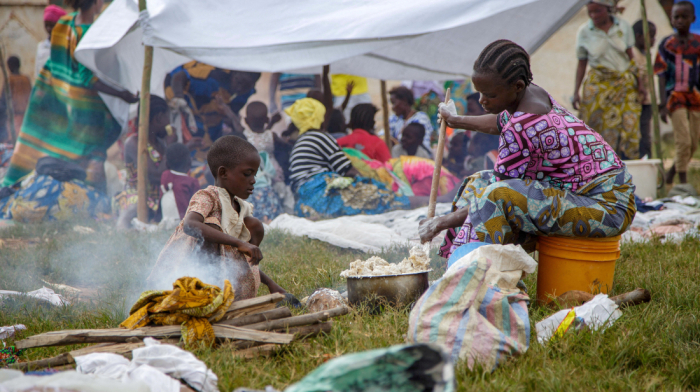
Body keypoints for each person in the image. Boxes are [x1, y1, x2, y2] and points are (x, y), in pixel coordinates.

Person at [419, 39, 636, 262]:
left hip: (607, 209)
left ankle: (474, 273)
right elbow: (499, 122)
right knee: (477, 183)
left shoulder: (522, 125)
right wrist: (455, 120)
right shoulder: (531, 95)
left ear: (517, 86)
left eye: (490, 95)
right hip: (590, 195)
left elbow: (493, 196)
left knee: (491, 196)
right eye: (479, 93)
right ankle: (457, 263)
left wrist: (440, 222)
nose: (482, 100)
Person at [1, 0, 139, 189]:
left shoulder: (64, 24)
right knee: (92, 159)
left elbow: (55, 65)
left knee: (55, 151)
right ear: (97, 2)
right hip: (89, 113)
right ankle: (94, 206)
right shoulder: (91, 33)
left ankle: (49, 191)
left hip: (63, 103)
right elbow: (88, 78)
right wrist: (123, 94)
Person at [146, 135, 289, 300]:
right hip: (188, 275)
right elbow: (190, 225)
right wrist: (239, 242)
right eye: (247, 174)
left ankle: (232, 293)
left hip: (227, 277)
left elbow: (239, 254)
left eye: (254, 174)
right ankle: (207, 292)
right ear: (223, 173)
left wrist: (271, 284)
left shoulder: (239, 207)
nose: (253, 181)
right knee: (212, 226)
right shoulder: (207, 197)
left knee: (254, 225)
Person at [286, 98, 412, 219]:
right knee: (380, 196)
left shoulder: (301, 142)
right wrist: (369, 182)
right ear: (318, 117)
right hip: (320, 195)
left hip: (304, 203)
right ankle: (411, 202)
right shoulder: (320, 137)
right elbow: (347, 170)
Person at [573, 0, 642, 160]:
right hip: (598, 86)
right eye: (590, 12)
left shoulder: (623, 26)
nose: (593, 16)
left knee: (627, 125)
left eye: (597, 11)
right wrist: (576, 91)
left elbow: (631, 57)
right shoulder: (584, 31)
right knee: (593, 126)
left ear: (608, 8)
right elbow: (581, 63)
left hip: (624, 84)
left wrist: (641, 84)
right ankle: (598, 162)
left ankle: (625, 163)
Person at [655, 1, 700, 185]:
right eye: (676, 17)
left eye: (684, 17)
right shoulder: (667, 45)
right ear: (671, 19)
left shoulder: (697, 43)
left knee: (694, 142)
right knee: (683, 140)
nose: (680, 20)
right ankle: (682, 183)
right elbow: (661, 74)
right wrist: (663, 103)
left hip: (695, 96)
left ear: (693, 18)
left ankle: (672, 171)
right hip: (675, 97)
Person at [115, 96, 170, 229]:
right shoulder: (134, 142)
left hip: (158, 198)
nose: (169, 123)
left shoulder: (160, 144)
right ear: (159, 117)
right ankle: (122, 229)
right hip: (137, 195)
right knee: (136, 207)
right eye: (168, 117)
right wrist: (171, 150)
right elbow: (154, 176)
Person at [242, 101, 284, 222]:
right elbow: (266, 136)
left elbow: (255, 135)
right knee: (280, 195)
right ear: (266, 119)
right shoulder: (272, 135)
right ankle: (281, 217)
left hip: (256, 175)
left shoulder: (245, 136)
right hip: (273, 171)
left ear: (246, 120)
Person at [632, 20, 656, 159]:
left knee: (646, 135)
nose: (653, 40)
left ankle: (646, 159)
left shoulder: (646, 54)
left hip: (646, 103)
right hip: (636, 103)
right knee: (638, 135)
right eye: (651, 36)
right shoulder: (633, 53)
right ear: (638, 36)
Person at [160, 143, 200, 220]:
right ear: (189, 162)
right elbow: (199, 206)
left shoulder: (164, 175)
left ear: (167, 164)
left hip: (165, 219)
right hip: (183, 220)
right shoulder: (192, 182)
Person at [388, 86, 434, 153]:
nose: (393, 107)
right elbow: (384, 136)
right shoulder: (394, 119)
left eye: (394, 103)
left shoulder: (421, 118)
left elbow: (424, 144)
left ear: (404, 101)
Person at [0, 57, 31, 142]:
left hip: (15, 118)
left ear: (9, 66)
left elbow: (3, 101)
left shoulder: (10, 80)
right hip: (27, 118)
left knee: (13, 141)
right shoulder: (26, 79)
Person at [35, 5, 66, 77]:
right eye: (46, 25)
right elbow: (37, 72)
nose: (48, 29)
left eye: (52, 26)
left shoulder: (65, 47)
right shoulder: (41, 46)